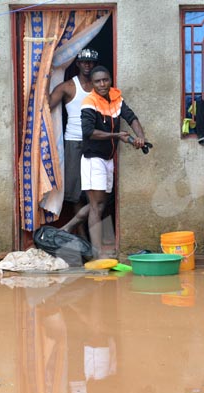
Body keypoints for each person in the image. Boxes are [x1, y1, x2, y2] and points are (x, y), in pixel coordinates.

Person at [61, 66, 147, 258]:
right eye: (98, 81)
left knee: (100, 204)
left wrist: (140, 137)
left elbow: (131, 117)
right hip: (93, 159)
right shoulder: (89, 102)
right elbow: (88, 132)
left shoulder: (116, 98)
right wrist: (117, 135)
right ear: (92, 84)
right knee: (95, 206)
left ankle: (67, 228)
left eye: (105, 80)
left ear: (110, 81)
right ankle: (97, 253)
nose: (102, 84)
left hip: (108, 159)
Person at [48, 48, 99, 236]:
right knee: (76, 193)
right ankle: (83, 238)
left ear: (95, 64)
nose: (87, 65)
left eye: (91, 62)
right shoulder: (68, 87)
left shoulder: (100, 86)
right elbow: (45, 106)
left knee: (97, 192)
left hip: (96, 141)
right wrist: (44, 77)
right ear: (77, 63)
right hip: (74, 142)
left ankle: (93, 238)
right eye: (84, 62)